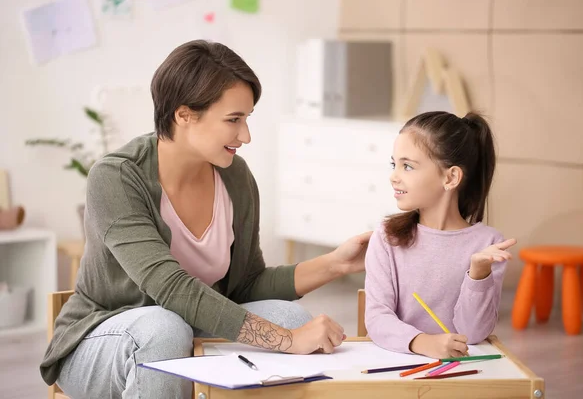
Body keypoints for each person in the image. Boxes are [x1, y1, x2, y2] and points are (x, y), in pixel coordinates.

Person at [40, 40, 371, 399]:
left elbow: (245, 285)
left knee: (287, 317)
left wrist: (336, 264)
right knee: (163, 329)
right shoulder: (116, 177)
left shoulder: (235, 176)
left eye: (246, 119)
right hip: (102, 343)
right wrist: (287, 341)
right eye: (233, 120)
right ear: (184, 115)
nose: (245, 136)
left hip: (185, 329)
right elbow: (169, 288)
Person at [364, 111, 516, 359]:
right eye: (395, 164)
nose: (394, 176)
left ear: (451, 177)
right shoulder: (386, 237)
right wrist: (424, 343)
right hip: (397, 363)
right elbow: (377, 318)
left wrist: (478, 274)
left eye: (408, 166)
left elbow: (474, 334)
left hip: (460, 372)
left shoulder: (488, 245)